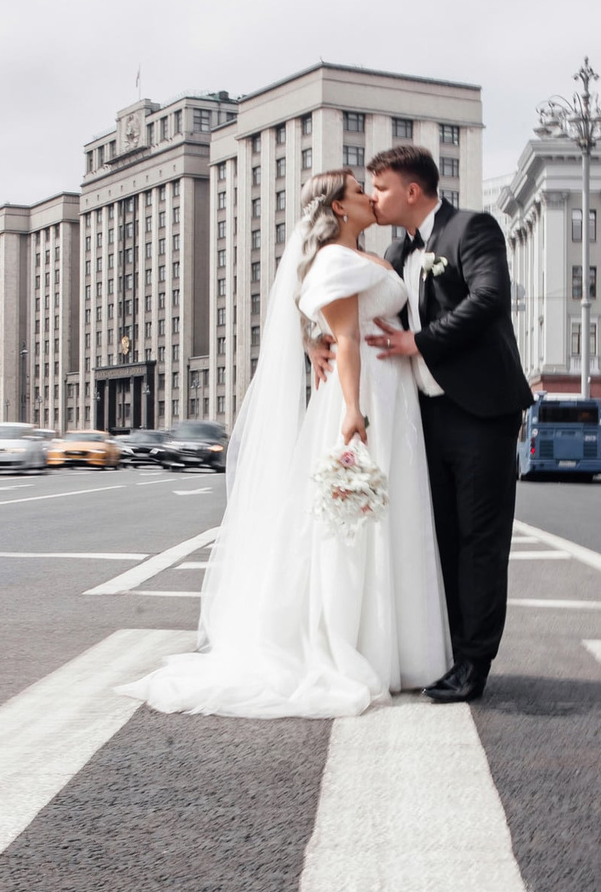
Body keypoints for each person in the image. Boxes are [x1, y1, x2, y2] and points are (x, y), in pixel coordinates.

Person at [117, 169, 449, 718]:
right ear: (340, 209)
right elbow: (343, 338)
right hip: (363, 398)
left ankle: (393, 646)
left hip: (393, 399)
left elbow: (313, 317)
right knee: (352, 525)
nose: (368, 194)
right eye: (357, 190)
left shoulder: (369, 253)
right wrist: (351, 409)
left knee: (387, 521)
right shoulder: (335, 262)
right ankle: (353, 642)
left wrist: (307, 337)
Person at [365, 145, 536, 704]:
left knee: (480, 540)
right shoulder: (397, 248)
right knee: (438, 538)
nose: (374, 197)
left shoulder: (472, 229)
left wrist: (421, 340)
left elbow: (490, 298)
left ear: (412, 191)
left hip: (482, 412)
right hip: (424, 417)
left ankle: (474, 663)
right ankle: (447, 652)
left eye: (382, 188)